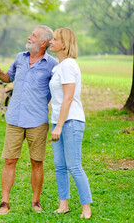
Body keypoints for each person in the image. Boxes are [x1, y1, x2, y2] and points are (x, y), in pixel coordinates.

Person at [0, 26, 58, 215]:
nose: (29, 37)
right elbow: (8, 77)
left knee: (37, 161)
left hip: (37, 120)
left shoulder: (52, 64)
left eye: (34, 36)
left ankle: (35, 202)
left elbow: (60, 90)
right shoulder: (20, 58)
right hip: (14, 119)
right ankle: (4, 202)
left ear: (43, 43)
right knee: (9, 161)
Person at [48, 28, 92, 219]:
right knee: (59, 165)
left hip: (71, 121)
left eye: (55, 39)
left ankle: (86, 208)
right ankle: (63, 205)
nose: (51, 41)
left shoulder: (68, 65)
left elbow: (68, 98)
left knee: (74, 165)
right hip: (58, 121)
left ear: (64, 45)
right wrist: (55, 123)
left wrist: (59, 125)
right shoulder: (58, 66)